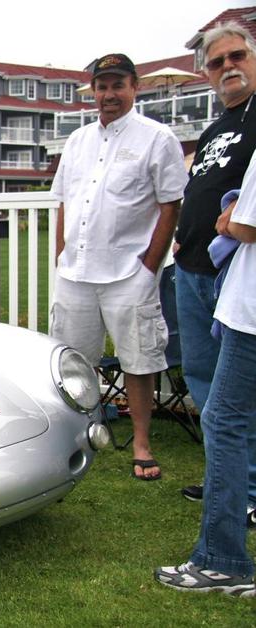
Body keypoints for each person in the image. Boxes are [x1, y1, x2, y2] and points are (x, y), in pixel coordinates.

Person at [50, 53, 187, 481]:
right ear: (94, 91)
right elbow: (64, 202)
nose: (109, 94)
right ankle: (76, 434)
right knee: (70, 358)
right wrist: (60, 254)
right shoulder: (77, 140)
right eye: (102, 86)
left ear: (134, 87)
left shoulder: (157, 138)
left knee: (139, 359)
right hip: (75, 272)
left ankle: (142, 443)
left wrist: (149, 267)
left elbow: (170, 205)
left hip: (129, 272)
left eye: (117, 85)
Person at [155, 153, 256, 597]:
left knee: (223, 419)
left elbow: (245, 224)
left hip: (251, 316)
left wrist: (231, 215)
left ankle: (221, 561)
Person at [173, 20, 256, 527]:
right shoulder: (214, 128)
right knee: (202, 379)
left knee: (239, 390)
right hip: (191, 268)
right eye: (217, 62)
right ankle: (225, 476)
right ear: (206, 74)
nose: (228, 67)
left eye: (237, 56)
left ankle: (250, 488)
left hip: (236, 273)